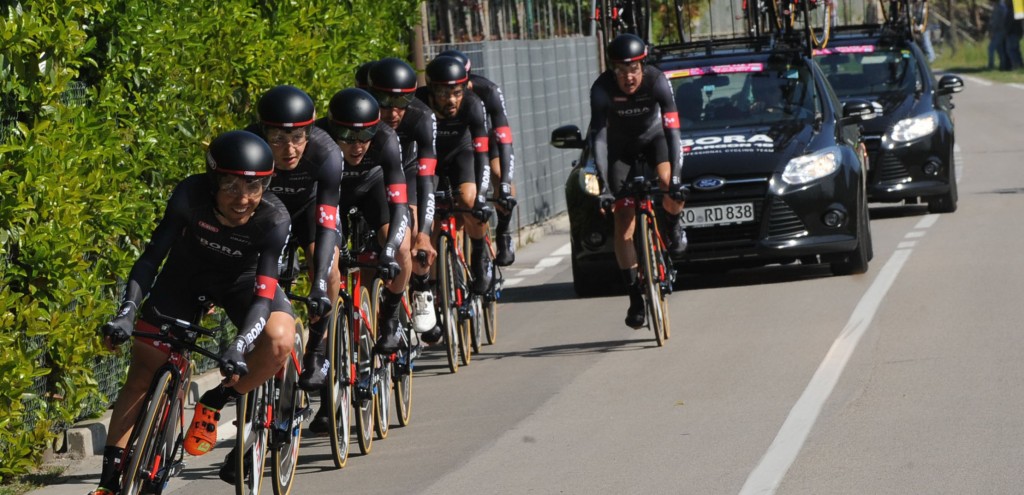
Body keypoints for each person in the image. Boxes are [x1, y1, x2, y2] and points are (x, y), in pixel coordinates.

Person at [90, 131, 295, 494]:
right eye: (232, 187)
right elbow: (152, 258)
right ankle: (109, 480)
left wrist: (239, 345)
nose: (243, 199)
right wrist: (126, 312)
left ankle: (217, 400)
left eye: (255, 188)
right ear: (214, 180)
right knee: (144, 364)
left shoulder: (274, 219)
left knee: (280, 339)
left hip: (242, 285)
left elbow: (264, 296)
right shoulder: (190, 195)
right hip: (184, 277)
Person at [244, 85, 344, 393]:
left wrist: (319, 287)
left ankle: (317, 348)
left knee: (326, 268)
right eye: (277, 139)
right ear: (263, 133)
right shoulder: (248, 146)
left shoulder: (327, 153)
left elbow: (327, 223)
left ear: (309, 133)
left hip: (310, 212)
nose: (289, 149)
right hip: (269, 213)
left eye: (298, 138)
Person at [587, 33, 687, 329]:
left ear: (643, 66)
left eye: (633, 69)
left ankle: (672, 225)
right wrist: (604, 187)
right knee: (624, 219)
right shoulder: (601, 89)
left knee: (670, 181)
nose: (628, 77)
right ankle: (634, 297)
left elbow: (673, 133)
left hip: (655, 139)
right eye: (621, 70)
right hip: (619, 149)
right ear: (612, 69)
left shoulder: (657, 81)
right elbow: (600, 139)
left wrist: (678, 179)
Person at [415, 55, 496, 313]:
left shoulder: (473, 105)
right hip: (429, 162)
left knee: (470, 201)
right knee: (431, 224)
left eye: (457, 92)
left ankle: (480, 255)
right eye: (442, 93)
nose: (451, 100)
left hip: (462, 155)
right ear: (430, 89)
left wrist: (482, 196)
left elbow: (482, 154)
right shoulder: (417, 104)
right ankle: (436, 287)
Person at [367, 58, 440, 336]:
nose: (394, 113)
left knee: (407, 234)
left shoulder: (422, 117)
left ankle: (421, 287)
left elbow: (426, 178)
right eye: (385, 103)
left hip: (407, 171)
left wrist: (424, 232)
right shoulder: (360, 111)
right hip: (371, 172)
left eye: (402, 104)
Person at [437, 49, 518, 267]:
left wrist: (504, 187)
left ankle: (503, 231)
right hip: (457, 144)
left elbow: (504, 138)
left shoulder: (488, 91)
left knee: (500, 175)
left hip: (487, 140)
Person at [989, 0, 1010, 71]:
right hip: (996, 30)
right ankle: (1003, 66)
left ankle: (991, 66)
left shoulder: (1002, 6)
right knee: (1000, 49)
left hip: (1000, 31)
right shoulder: (997, 5)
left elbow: (1003, 18)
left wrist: (997, 28)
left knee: (991, 48)